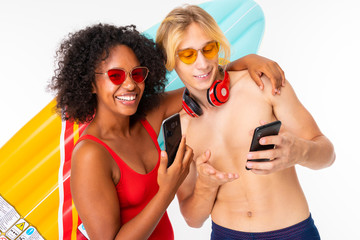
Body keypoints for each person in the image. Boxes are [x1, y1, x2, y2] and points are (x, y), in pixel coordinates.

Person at [48, 23, 287, 240]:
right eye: (116, 75)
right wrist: (169, 189)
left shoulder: (147, 114)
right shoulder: (91, 154)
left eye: (137, 74)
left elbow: (202, 85)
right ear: (90, 83)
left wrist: (246, 62)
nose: (130, 84)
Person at [156, 4, 335, 240]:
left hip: (292, 232)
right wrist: (207, 185)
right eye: (187, 55)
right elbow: (192, 219)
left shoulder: (262, 84)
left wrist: (299, 151)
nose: (202, 63)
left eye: (208, 49)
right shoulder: (179, 128)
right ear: (172, 61)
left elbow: (327, 154)